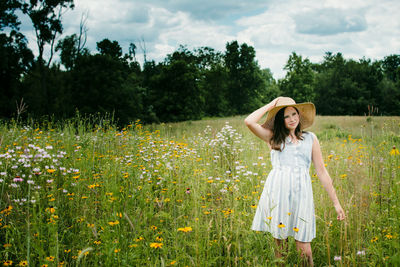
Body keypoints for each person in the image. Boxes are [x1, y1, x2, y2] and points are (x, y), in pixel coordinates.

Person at [244, 97, 345, 266]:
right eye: (286, 116)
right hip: (279, 195)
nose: (292, 119)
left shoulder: (310, 138)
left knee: (304, 251)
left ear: (299, 115)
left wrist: (336, 203)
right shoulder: (273, 137)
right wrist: (273, 104)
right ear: (280, 120)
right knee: (281, 251)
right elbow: (249, 121)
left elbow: (321, 171)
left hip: (302, 196)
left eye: (294, 114)